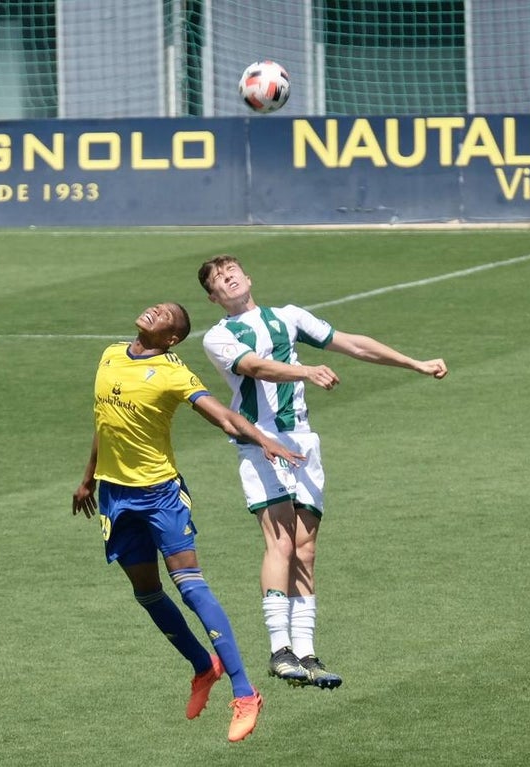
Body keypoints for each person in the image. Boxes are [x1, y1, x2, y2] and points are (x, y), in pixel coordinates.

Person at [197, 255, 448, 690]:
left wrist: (415, 363)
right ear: (213, 296)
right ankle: (280, 651)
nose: (228, 277)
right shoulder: (219, 336)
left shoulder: (289, 316)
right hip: (260, 444)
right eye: (218, 278)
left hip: (304, 442)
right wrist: (305, 369)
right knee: (279, 542)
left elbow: (352, 343)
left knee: (306, 550)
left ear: (248, 276)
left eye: (231, 269)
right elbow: (254, 367)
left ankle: (307, 653)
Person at [72, 301, 304, 743]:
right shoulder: (109, 354)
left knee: (191, 586)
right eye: (155, 307)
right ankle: (203, 667)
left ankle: (245, 692)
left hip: (160, 495)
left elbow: (222, 416)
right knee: (146, 592)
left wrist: (262, 439)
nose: (153, 311)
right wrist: (87, 479)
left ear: (172, 339)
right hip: (114, 496)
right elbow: (104, 423)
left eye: (165, 316)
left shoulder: (174, 372)